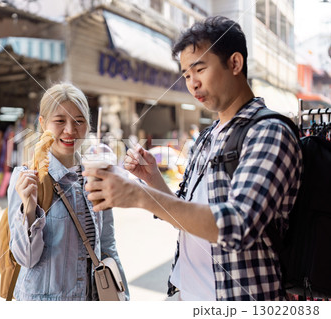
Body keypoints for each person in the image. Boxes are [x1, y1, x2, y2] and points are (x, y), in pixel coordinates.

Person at [83, 16, 302, 301]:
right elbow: (184, 216)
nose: (192, 83)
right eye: (186, 75)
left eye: (199, 69)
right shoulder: (208, 136)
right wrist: (152, 180)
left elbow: (236, 226)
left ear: (235, 64)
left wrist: (138, 196)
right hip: (185, 294)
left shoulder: (269, 132)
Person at [7, 83, 129, 301]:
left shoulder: (97, 176)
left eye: (79, 121)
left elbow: (108, 246)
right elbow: (25, 259)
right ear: (43, 123)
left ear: (88, 125)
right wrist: (29, 208)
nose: (70, 130)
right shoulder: (27, 178)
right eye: (60, 120)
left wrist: (123, 299)